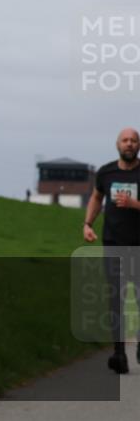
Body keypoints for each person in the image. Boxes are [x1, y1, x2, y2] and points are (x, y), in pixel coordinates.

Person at [82, 127, 140, 374]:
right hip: (113, 244)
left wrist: (135, 204)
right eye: (125, 140)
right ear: (118, 145)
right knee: (116, 299)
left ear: (138, 145)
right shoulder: (106, 172)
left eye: (133, 140)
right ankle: (119, 354)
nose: (129, 144)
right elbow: (97, 198)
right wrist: (88, 224)